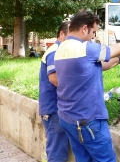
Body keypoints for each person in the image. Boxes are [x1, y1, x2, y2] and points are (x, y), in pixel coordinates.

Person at [54, 10, 120, 162]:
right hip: (88, 121)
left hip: (67, 118)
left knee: (83, 159)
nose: (94, 36)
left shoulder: (61, 49)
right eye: (93, 31)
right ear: (84, 28)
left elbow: (98, 65)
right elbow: (119, 48)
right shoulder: (85, 48)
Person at [38, 21, 70, 162]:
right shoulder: (55, 51)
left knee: (57, 148)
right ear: (62, 34)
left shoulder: (60, 51)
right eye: (72, 34)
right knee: (57, 150)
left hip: (56, 108)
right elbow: (54, 78)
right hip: (53, 110)